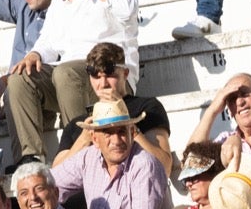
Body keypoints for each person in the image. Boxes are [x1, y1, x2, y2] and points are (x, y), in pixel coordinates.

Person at [7, 0, 140, 163]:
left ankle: (78, 151)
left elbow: (127, 11)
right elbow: (47, 43)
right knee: (20, 77)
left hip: (109, 77)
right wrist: (34, 54)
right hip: (69, 82)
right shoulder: (58, 4)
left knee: (65, 72)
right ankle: (29, 158)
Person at [53, 42, 172, 180]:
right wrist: (85, 138)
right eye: (96, 76)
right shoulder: (79, 123)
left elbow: (164, 168)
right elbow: (55, 177)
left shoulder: (147, 108)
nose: (103, 84)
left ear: (125, 73)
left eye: (110, 75)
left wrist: (128, 125)